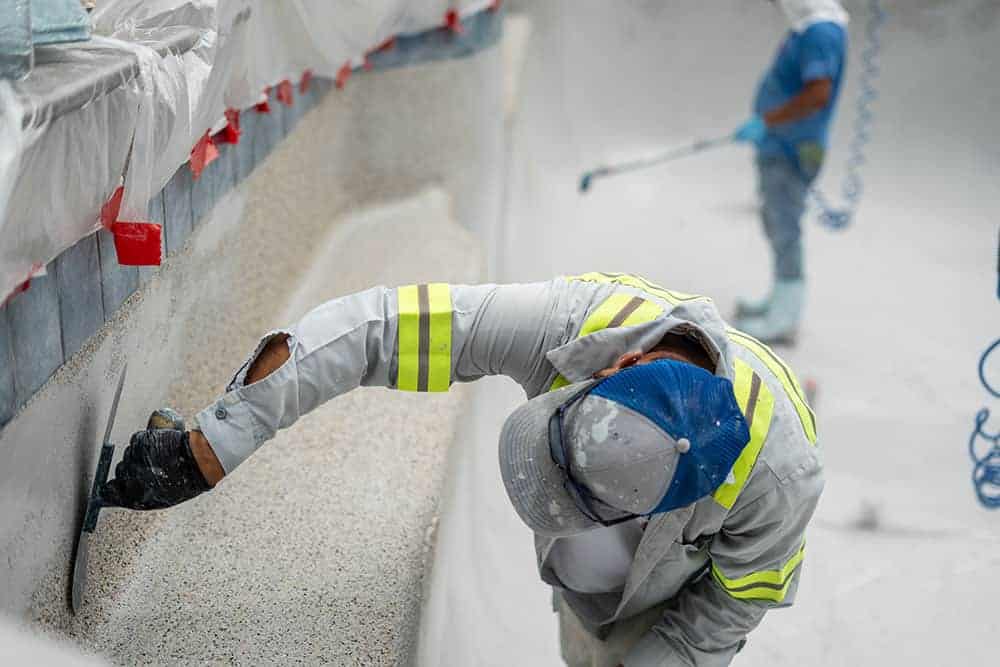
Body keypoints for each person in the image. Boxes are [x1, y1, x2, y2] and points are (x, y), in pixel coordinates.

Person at [103, 273, 823, 666]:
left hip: (658, 609)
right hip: (592, 590)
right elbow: (380, 328)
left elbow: (719, 621)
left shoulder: (780, 480)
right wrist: (215, 444)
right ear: (620, 365)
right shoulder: (576, 321)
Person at [732, 0, 849, 343]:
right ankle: (779, 298)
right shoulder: (809, 27)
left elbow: (817, 93)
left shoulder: (820, 32)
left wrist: (766, 121)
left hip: (791, 147)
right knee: (776, 221)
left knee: (785, 226)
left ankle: (785, 315)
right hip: (780, 143)